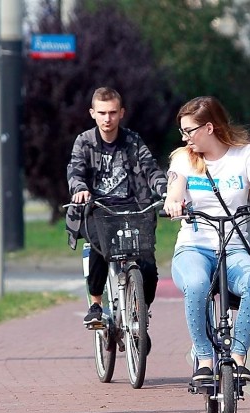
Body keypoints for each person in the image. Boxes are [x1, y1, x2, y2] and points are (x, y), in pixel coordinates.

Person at [163, 96, 250, 385]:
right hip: (193, 247)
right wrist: (173, 203)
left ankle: (239, 356)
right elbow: (175, 190)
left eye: (189, 131)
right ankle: (204, 358)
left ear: (209, 127)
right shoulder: (183, 158)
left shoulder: (244, 155)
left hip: (232, 246)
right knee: (196, 285)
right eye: (182, 131)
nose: (185, 137)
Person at [66, 87, 167, 326]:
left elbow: (151, 169)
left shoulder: (132, 141)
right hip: (96, 208)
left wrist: (166, 190)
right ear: (93, 113)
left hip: (133, 209)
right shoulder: (84, 141)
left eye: (112, 112)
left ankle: (139, 314)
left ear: (122, 113)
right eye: (102, 113)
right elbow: (75, 170)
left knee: (149, 268)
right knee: (101, 245)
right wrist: (80, 189)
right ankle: (96, 305)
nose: (107, 118)